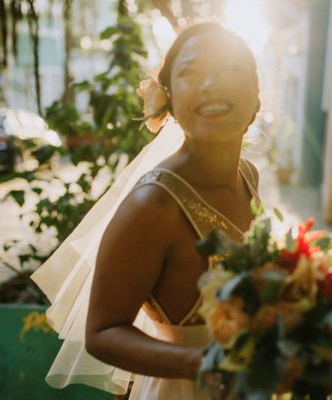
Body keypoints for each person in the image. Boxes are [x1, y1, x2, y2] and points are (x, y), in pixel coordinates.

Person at [32, 22, 261, 400]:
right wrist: (200, 363)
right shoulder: (153, 204)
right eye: (191, 72)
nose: (210, 84)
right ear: (169, 97)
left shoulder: (249, 177)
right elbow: (103, 332)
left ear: (256, 97)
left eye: (230, 69)